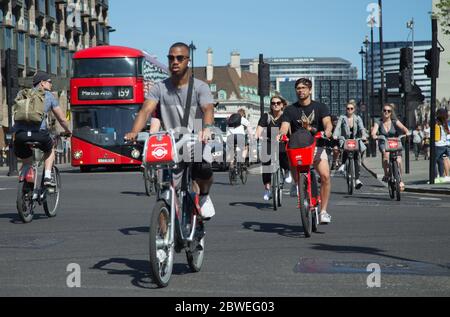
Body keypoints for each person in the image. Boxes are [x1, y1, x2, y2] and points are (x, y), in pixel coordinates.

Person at [125, 42, 216, 218]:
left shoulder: (200, 87)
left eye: (180, 58)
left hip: (196, 139)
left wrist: (206, 128)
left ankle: (204, 196)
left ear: (187, 61)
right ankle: (163, 238)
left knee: (203, 169)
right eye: (171, 58)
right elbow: (145, 111)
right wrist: (134, 132)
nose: (175, 61)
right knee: (165, 193)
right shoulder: (159, 88)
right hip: (171, 142)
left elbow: (208, 109)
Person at [279, 78, 333, 224]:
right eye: (298, 88)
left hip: (316, 145)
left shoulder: (320, 107)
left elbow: (328, 123)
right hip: (298, 146)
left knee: (325, 176)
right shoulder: (290, 109)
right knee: (290, 155)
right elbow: (284, 126)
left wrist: (327, 132)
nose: (300, 90)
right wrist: (281, 134)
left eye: (303, 88)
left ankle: (323, 211)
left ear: (310, 90)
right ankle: (297, 184)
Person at [13, 71, 71, 186]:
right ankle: (48, 177)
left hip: (21, 135)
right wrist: (68, 130)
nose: (51, 85)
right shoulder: (49, 96)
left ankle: (26, 174)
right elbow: (62, 119)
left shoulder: (22, 93)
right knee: (50, 149)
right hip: (39, 134)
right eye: (49, 82)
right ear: (42, 83)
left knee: (26, 161)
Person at [255, 95, 291, 201]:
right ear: (270, 105)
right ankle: (267, 189)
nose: (275, 105)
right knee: (265, 162)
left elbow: (287, 129)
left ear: (282, 105)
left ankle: (287, 170)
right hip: (269, 141)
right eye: (273, 103)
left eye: (278, 103)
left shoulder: (285, 116)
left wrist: (285, 136)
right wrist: (255, 137)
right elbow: (259, 130)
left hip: (282, 140)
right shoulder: (266, 116)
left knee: (283, 152)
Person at [371, 103, 409, 191]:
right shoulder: (378, 121)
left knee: (399, 160)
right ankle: (386, 174)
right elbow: (374, 132)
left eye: (388, 111)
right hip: (384, 142)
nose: (386, 112)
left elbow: (404, 128)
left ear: (391, 112)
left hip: (394, 142)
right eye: (384, 110)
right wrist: (374, 135)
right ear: (382, 112)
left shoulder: (395, 121)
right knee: (386, 154)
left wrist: (407, 132)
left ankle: (400, 180)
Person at [333, 100, 368, 189]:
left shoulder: (357, 118)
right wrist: (335, 135)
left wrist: (363, 135)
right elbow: (338, 127)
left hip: (355, 139)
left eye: (351, 108)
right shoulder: (342, 117)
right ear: (346, 109)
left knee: (356, 157)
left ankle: (356, 179)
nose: (349, 110)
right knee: (345, 147)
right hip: (345, 139)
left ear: (354, 109)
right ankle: (343, 165)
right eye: (348, 108)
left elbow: (361, 128)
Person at [434, 108, 450, 181]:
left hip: (438, 145)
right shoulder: (445, 122)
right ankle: (441, 176)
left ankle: (434, 176)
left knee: (434, 161)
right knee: (441, 160)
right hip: (445, 145)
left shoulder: (437, 122)